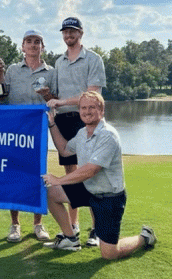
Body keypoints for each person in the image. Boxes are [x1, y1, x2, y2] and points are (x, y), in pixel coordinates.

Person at [43, 91, 156, 259]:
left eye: (92, 107)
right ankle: (70, 239)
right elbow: (65, 150)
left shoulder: (108, 135)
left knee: (110, 254)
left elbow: (91, 170)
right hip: (88, 190)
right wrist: (52, 124)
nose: (87, 111)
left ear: (102, 110)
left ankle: (145, 237)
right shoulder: (82, 133)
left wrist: (59, 180)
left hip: (109, 198)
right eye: (83, 108)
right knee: (50, 193)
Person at [47, 17, 106, 246]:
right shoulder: (59, 62)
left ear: (80, 32)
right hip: (64, 121)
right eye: (65, 31)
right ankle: (73, 227)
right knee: (71, 172)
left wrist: (60, 102)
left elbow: (92, 95)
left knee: (89, 173)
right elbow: (55, 96)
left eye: (72, 31)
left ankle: (97, 230)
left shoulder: (93, 58)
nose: (68, 34)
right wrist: (49, 98)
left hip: (87, 121)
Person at [1, 29, 56, 243]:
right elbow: (3, 97)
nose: (33, 45)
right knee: (14, 176)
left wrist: (48, 95)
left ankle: (38, 224)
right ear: (22, 46)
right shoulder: (13, 70)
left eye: (37, 42)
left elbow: (55, 100)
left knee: (39, 176)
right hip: (15, 131)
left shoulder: (51, 71)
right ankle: (15, 225)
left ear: (43, 47)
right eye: (29, 41)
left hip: (39, 132)